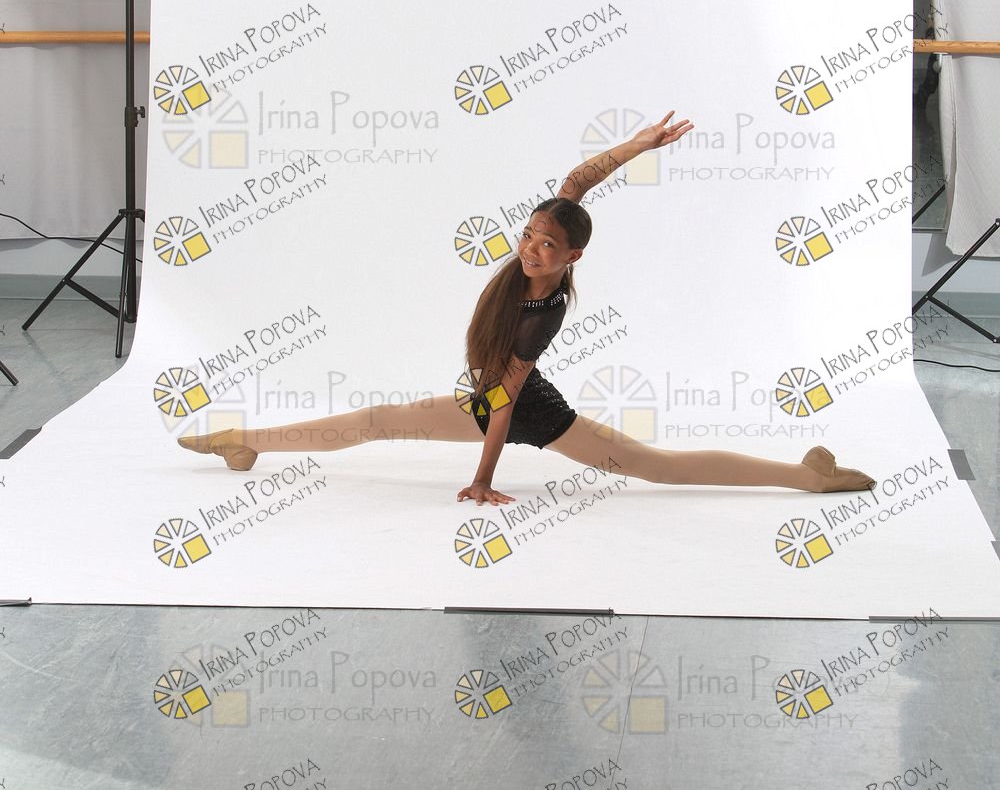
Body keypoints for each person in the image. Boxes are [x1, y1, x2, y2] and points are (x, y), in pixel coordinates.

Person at [179, 112, 875, 503]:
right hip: (491, 396)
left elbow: (504, 406)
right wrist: (638, 146)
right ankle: (246, 441)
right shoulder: (544, 242)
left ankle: (804, 477)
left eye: (548, 246)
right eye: (529, 237)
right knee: (374, 420)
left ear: (573, 257)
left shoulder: (541, 311)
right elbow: (577, 180)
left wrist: (482, 480)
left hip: (530, 413)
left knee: (656, 468)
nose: (533, 250)